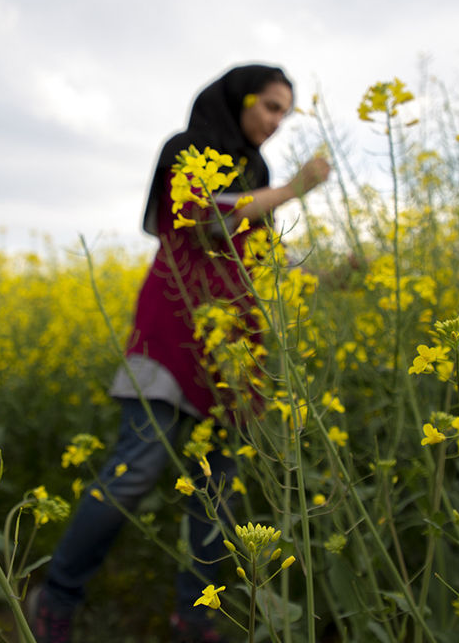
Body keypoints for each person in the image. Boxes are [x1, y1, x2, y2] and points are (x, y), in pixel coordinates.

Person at [30, 64, 330, 642]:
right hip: (172, 334)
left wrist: (324, 274)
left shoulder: (257, 171)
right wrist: (295, 187)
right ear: (239, 99)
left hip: (232, 351)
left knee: (216, 492)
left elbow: (259, 251)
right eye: (270, 106)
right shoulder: (185, 149)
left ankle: (194, 620)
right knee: (133, 473)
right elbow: (204, 221)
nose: (276, 121)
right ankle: (55, 598)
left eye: (284, 113)